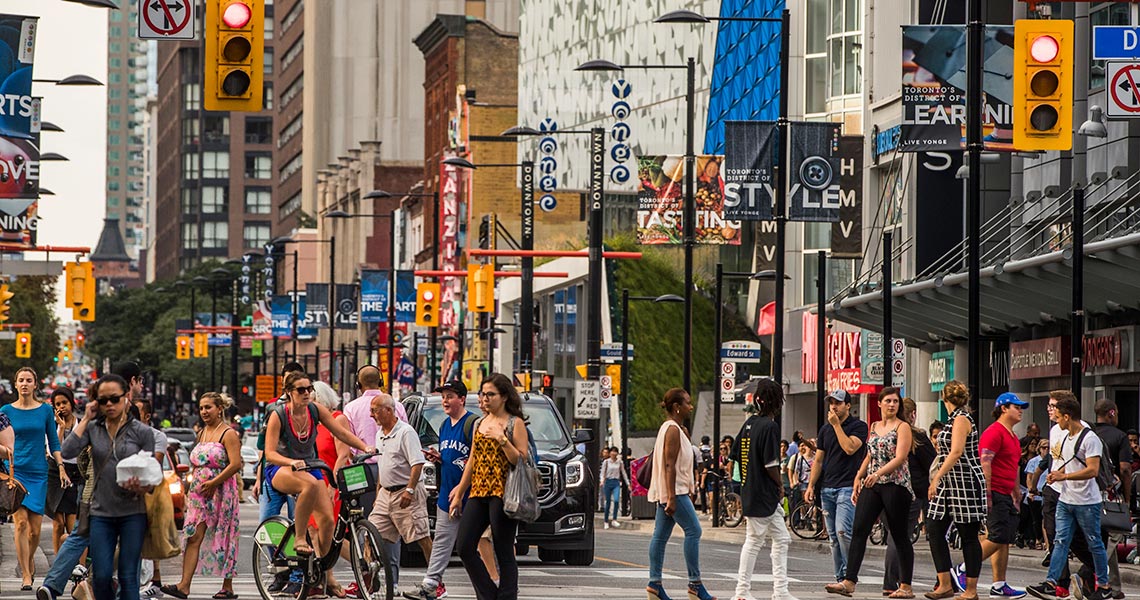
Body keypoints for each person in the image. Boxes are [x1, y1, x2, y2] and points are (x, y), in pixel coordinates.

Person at [60, 374, 156, 600]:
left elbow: (153, 473)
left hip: (133, 512)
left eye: (115, 398)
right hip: (101, 512)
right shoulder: (94, 428)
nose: (109, 404)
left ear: (126, 398)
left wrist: (142, 485)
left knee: (127, 575)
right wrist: (85, 419)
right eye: (104, 400)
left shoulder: (142, 432)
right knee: (101, 576)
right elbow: (66, 451)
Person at [263, 372, 374, 561]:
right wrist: (291, 462)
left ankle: (322, 569)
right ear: (289, 392)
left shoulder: (315, 410)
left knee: (328, 522)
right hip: (280, 467)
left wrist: (365, 447)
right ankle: (299, 538)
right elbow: (270, 453)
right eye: (301, 390)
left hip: (309, 467)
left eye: (309, 389)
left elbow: (341, 433)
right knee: (309, 485)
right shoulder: (279, 415)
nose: (306, 393)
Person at [825, 386, 914, 599]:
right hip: (872, 484)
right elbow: (869, 454)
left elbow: (900, 457)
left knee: (899, 535)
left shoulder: (903, 427)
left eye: (895, 401)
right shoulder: (874, 426)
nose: (892, 404)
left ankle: (906, 586)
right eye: (888, 401)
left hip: (896, 484)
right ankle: (849, 581)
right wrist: (859, 476)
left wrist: (878, 474)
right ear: (879, 404)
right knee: (859, 530)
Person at [450, 373, 531, 600]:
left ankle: (506, 596)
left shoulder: (515, 423)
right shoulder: (480, 422)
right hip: (479, 490)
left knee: (504, 550)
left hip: (504, 493)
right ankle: (488, 594)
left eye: (490, 394)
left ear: (504, 396)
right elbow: (472, 460)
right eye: (482, 394)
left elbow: (520, 460)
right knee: (465, 545)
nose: (485, 398)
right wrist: (460, 492)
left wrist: (502, 439)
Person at [1027, 395, 1114, 600]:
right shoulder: (1065, 437)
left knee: (1094, 543)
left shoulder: (1090, 438)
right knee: (1060, 541)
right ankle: (1052, 582)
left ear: (1067, 416)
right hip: (1066, 499)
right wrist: (1056, 474)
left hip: (1086, 501)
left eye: (1058, 416)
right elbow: (1070, 461)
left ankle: (1104, 585)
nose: (1056, 420)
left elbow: (1092, 470)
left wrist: (1063, 475)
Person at [161, 393, 242, 600]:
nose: (204, 412)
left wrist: (214, 483)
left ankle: (227, 586)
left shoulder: (228, 434)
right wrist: (191, 489)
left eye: (209, 407)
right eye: (202, 408)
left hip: (222, 491)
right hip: (199, 493)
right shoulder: (202, 432)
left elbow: (235, 464)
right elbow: (196, 464)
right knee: (193, 536)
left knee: (224, 534)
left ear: (219, 409)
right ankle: (184, 585)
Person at [948, 393, 1030, 598]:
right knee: (998, 535)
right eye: (1016, 407)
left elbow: (1013, 466)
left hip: (1007, 491)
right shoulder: (994, 432)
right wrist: (987, 493)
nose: (1020, 410)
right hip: (994, 490)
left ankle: (999, 584)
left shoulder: (1012, 436)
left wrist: (1016, 490)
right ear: (1003, 408)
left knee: (1004, 538)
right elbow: (985, 462)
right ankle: (964, 568)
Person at [404, 380, 475, 600]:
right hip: (447, 492)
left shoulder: (472, 423)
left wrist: (462, 491)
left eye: (450, 396)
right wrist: (440, 458)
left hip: (471, 495)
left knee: (479, 543)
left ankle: (496, 582)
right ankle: (431, 584)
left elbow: (475, 460)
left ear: (461, 399)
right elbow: (453, 458)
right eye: (444, 396)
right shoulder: (444, 425)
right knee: (442, 541)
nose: (445, 400)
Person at [643, 388, 713, 600]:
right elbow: (669, 464)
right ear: (677, 407)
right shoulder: (672, 430)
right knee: (694, 530)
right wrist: (672, 497)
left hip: (671, 491)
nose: (690, 407)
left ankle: (654, 585)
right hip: (674, 492)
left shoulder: (675, 429)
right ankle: (695, 584)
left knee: (660, 536)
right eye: (687, 403)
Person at [731, 378, 797, 600]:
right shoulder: (770, 427)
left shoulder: (749, 423)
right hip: (764, 492)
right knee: (754, 541)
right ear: (777, 402)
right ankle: (742, 592)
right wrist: (780, 485)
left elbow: (735, 456)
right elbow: (771, 464)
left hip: (751, 488)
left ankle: (780, 591)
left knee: (782, 538)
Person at [2, 366, 67, 590]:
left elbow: (54, 441)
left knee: (35, 530)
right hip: (15, 472)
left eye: (29, 380)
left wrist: (60, 466)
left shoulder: (45, 411)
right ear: (16, 383)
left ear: (35, 384)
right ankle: (26, 575)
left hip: (38, 473)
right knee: (20, 523)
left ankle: (28, 559)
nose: (25, 384)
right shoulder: (5, 410)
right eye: (21, 380)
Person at [925, 381, 986, 600]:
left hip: (965, 482)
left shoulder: (962, 419)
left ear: (944, 399)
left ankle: (971, 589)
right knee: (933, 528)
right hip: (948, 484)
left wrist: (936, 477)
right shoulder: (952, 420)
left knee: (968, 535)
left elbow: (956, 451)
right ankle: (944, 583)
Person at [368, 392, 434, 586]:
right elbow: (383, 464)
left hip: (405, 491)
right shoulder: (380, 434)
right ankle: (372, 577)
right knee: (369, 533)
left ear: (388, 411)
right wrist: (379, 490)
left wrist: (410, 490)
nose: (372, 415)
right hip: (386, 493)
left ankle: (435, 581)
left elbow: (417, 463)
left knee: (421, 537)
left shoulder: (406, 432)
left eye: (375, 411)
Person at [805, 389, 868, 584]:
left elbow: (850, 448)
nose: (834, 406)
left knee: (843, 531)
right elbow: (818, 460)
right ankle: (840, 576)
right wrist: (810, 485)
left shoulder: (859, 426)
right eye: (831, 402)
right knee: (832, 536)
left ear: (848, 405)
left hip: (848, 486)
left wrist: (837, 426)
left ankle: (850, 575)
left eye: (838, 403)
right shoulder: (825, 430)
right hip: (827, 488)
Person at [884, 397, 936, 596]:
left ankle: (890, 580)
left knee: (894, 535)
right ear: (912, 414)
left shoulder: (888, 433)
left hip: (888, 489)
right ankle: (893, 581)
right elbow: (932, 464)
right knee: (901, 537)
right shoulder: (917, 436)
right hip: (913, 491)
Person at [46, 387, 82, 555]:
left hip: (75, 473)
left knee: (72, 522)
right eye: (58, 404)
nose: (62, 407)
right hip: (55, 472)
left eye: (64, 403)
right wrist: (60, 427)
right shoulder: (52, 425)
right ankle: (57, 560)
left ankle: (73, 565)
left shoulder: (81, 425)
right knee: (58, 522)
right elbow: (53, 450)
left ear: (71, 403)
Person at [1024, 439, 1048, 551]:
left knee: (1046, 519)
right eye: (1044, 447)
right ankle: (1038, 539)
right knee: (1036, 519)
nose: (1046, 450)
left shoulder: (1051, 461)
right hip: (1036, 492)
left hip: (1047, 493)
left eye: (1048, 447)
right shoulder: (1034, 461)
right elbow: (1029, 477)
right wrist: (1031, 490)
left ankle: (1046, 541)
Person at [602, 446, 628, 529]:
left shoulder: (620, 462)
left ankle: (614, 519)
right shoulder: (606, 462)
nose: (614, 453)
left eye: (615, 451)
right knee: (608, 502)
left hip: (616, 482)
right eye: (612, 451)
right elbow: (602, 473)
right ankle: (606, 521)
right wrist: (602, 480)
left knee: (616, 500)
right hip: (608, 482)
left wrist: (628, 483)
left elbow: (623, 473)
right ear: (610, 453)